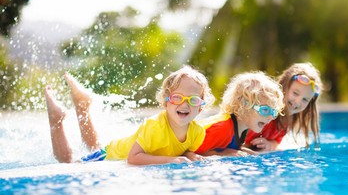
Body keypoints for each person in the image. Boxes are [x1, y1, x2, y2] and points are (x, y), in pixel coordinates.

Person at [44, 65, 215, 165]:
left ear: (201, 106)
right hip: (112, 154)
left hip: (115, 150)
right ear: (166, 101)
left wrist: (190, 155)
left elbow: (183, 151)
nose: (184, 104)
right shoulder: (155, 126)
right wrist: (170, 160)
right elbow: (133, 158)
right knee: (68, 164)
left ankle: (83, 106)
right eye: (177, 97)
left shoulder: (197, 132)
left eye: (193, 100)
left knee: (93, 146)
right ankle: (56, 120)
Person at [195, 71, 284, 156]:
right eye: (265, 110)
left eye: (273, 112)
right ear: (244, 105)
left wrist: (244, 151)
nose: (270, 117)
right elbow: (191, 152)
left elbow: (225, 146)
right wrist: (223, 154)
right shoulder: (222, 128)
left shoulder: (241, 127)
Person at [244, 62, 322, 151]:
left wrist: (270, 145)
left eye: (305, 100)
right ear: (283, 86)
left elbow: (276, 141)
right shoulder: (265, 109)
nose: (298, 102)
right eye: (295, 93)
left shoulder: (288, 119)